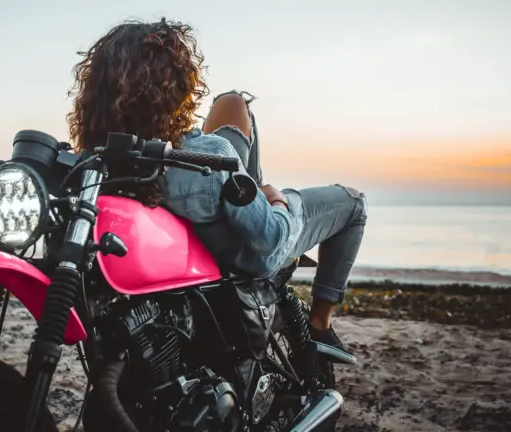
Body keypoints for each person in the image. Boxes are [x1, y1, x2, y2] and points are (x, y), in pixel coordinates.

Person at [66, 18, 366, 355]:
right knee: (355, 204)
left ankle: (249, 180)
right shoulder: (209, 156)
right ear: (176, 88)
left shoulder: (97, 164)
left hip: (206, 215)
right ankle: (320, 326)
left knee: (234, 104)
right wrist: (277, 200)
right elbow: (269, 243)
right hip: (248, 251)